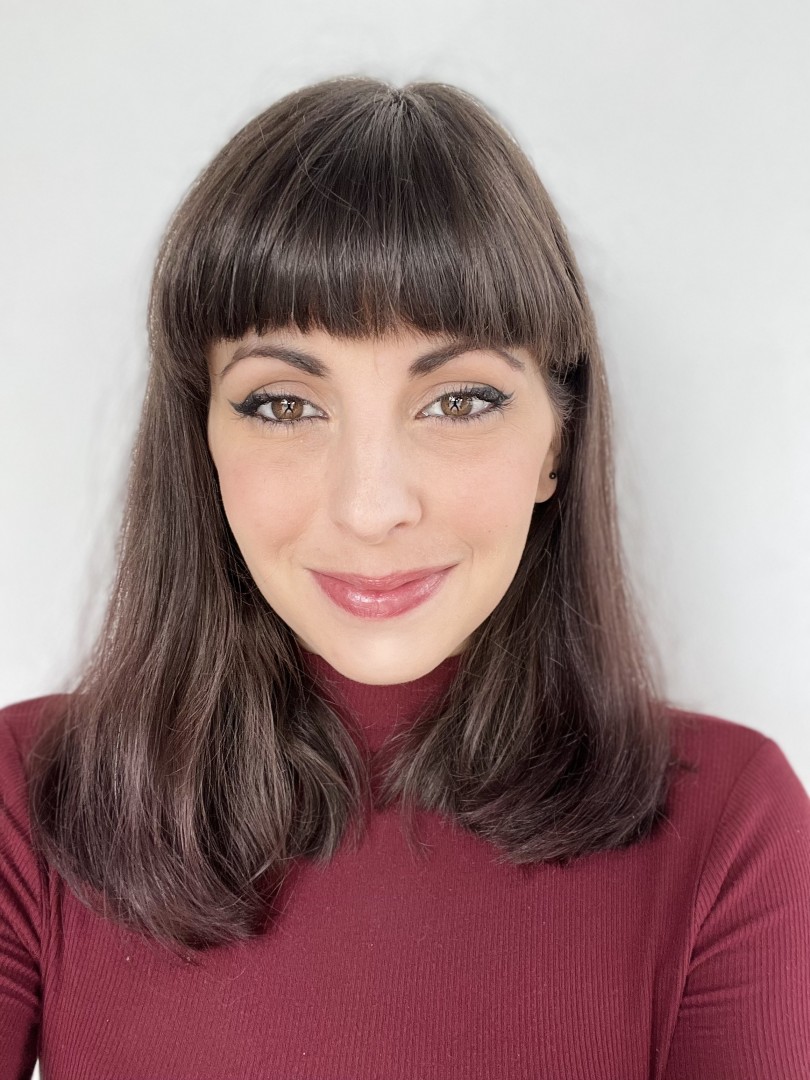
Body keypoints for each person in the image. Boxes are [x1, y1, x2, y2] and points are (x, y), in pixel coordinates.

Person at [0, 75, 808, 1079]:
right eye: (284, 405)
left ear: (557, 444)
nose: (371, 506)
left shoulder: (728, 823)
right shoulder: (30, 798)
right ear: (201, 441)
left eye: (458, 401)